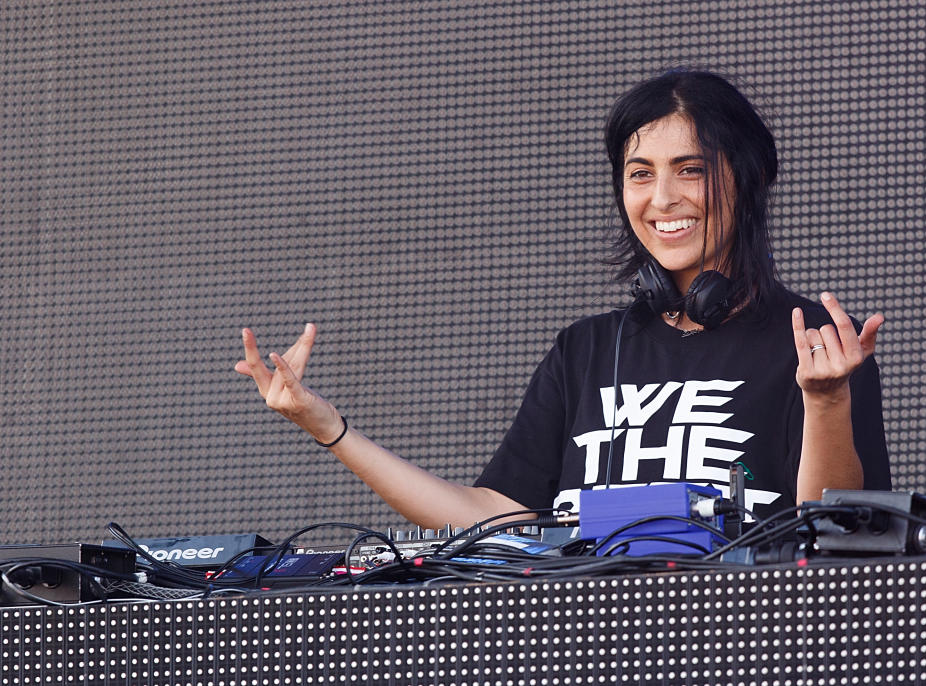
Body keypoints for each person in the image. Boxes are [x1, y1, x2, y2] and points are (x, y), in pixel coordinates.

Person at [236, 69, 890, 527]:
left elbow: (830, 529)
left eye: (689, 169)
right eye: (640, 175)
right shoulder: (586, 350)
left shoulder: (813, 343)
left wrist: (827, 400)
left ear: (747, 178)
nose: (662, 199)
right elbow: (492, 515)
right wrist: (328, 427)